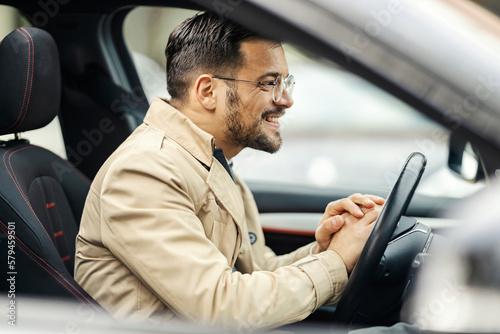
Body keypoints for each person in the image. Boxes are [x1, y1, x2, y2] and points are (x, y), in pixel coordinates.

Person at [74, 11, 384, 331]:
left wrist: (325, 250)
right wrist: (334, 263)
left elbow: (254, 273)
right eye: (269, 83)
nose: (287, 99)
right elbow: (221, 306)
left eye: (286, 82)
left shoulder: (209, 161)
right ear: (208, 92)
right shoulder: (143, 171)